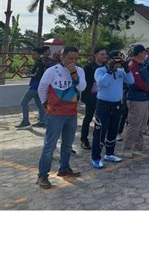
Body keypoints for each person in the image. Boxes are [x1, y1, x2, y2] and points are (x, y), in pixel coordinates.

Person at [36, 46, 86, 189]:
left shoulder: (79, 70)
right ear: (62, 57)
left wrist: (74, 74)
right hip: (56, 114)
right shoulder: (52, 71)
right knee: (49, 145)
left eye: (76, 58)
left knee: (68, 144)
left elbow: (82, 87)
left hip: (71, 113)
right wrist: (45, 104)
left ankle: (64, 168)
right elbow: (42, 88)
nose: (73, 61)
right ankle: (42, 176)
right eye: (70, 58)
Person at [91, 50, 134, 169]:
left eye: (120, 60)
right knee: (100, 132)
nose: (118, 63)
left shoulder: (120, 71)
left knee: (113, 130)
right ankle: (95, 157)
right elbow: (102, 83)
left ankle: (109, 153)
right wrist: (110, 71)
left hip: (117, 105)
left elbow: (131, 81)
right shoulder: (100, 70)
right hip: (103, 105)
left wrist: (127, 69)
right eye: (115, 60)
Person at [122, 45, 149, 158]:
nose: (146, 54)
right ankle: (127, 147)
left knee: (142, 124)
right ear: (139, 53)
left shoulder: (141, 65)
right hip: (136, 99)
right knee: (134, 124)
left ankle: (139, 145)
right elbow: (137, 83)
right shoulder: (132, 66)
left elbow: (147, 79)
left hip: (144, 98)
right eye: (144, 52)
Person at [17, 46, 51, 129]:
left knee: (23, 102)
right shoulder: (41, 62)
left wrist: (27, 74)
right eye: (32, 54)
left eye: (34, 54)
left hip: (35, 87)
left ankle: (25, 121)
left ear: (39, 54)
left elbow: (36, 75)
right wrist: (28, 71)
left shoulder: (39, 62)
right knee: (40, 105)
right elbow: (35, 72)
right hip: (39, 87)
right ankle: (42, 121)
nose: (32, 56)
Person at [80, 47, 107, 150]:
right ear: (95, 55)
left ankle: (99, 139)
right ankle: (84, 139)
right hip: (91, 96)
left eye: (105, 54)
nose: (104, 56)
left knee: (102, 119)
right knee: (88, 117)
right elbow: (85, 83)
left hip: (104, 97)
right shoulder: (88, 67)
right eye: (102, 54)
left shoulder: (107, 67)